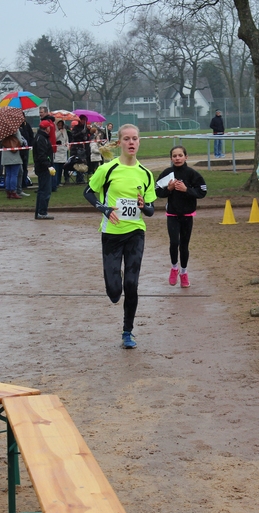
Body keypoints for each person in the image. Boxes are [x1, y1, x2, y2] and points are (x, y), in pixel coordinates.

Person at [83, 124, 157, 349]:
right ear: (120, 142)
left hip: (136, 233)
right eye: (126, 139)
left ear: (139, 142)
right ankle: (116, 276)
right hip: (112, 234)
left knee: (131, 285)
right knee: (115, 292)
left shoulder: (145, 173)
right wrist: (104, 209)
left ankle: (128, 331)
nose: (131, 142)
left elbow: (151, 209)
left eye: (135, 138)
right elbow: (88, 192)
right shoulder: (108, 169)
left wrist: (144, 207)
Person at [155, 145, 207, 288]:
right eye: (174, 156)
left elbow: (202, 191)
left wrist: (186, 190)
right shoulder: (167, 173)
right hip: (172, 214)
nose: (177, 158)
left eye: (180, 155)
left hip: (187, 215)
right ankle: (174, 268)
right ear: (171, 158)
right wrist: (169, 189)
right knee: (174, 242)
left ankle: (184, 272)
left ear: (186, 157)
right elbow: (157, 191)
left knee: (184, 245)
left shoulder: (192, 174)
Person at [33, 119, 54, 219]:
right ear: (46, 128)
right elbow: (42, 155)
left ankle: (39, 212)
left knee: (42, 190)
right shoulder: (41, 139)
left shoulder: (40, 137)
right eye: (49, 127)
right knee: (45, 191)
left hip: (42, 167)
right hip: (43, 168)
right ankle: (42, 212)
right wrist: (48, 165)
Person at [0, 129, 25, 200]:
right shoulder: (15, 129)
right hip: (14, 155)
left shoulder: (2, 130)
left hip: (5, 155)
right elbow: (20, 141)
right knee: (14, 174)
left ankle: (8, 191)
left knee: (8, 174)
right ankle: (13, 191)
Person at [19, 115, 34, 196]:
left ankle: (24, 183)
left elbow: (31, 135)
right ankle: (19, 185)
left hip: (26, 149)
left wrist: (30, 145)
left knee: (25, 167)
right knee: (20, 168)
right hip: (19, 150)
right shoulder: (17, 126)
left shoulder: (27, 125)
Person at [53, 119, 69, 188]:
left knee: (61, 168)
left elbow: (66, 139)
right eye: (58, 124)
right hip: (57, 151)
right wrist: (59, 132)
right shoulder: (54, 131)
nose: (60, 125)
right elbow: (54, 138)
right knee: (56, 168)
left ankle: (59, 181)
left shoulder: (64, 130)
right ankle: (55, 182)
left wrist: (67, 146)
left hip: (63, 151)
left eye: (61, 124)